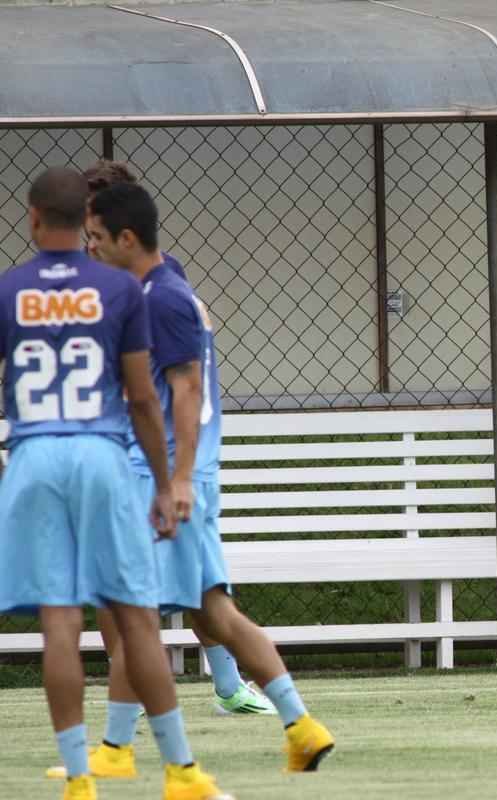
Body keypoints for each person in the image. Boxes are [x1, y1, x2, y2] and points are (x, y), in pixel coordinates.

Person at [73, 182, 334, 778]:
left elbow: (186, 391)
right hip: (167, 475)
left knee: (140, 611)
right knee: (211, 614)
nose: (87, 247)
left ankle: (118, 751)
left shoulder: (162, 299)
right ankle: (301, 725)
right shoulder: (152, 291)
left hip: (161, 478)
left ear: (126, 237)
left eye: (94, 237)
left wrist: (179, 480)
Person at [0, 167, 231, 800]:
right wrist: (165, 480)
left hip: (35, 452)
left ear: (33, 218)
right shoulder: (119, 291)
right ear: (87, 224)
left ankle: (79, 777)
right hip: (102, 455)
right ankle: (181, 771)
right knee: (136, 618)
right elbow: (141, 398)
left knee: (58, 622)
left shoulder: (8, 288)